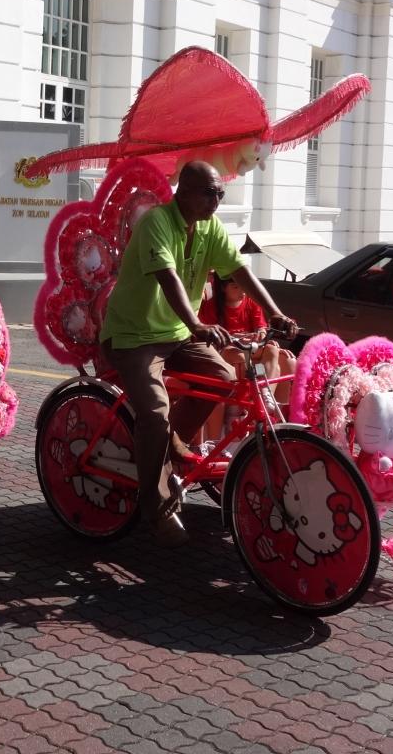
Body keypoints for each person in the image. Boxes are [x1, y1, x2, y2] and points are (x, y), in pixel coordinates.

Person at [100, 160, 298, 546]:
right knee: (154, 412)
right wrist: (196, 323)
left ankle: (172, 443)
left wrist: (275, 312)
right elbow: (168, 277)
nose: (216, 201)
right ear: (184, 191)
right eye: (209, 193)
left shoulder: (210, 228)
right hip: (133, 336)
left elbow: (239, 271)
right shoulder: (156, 222)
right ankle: (156, 505)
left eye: (220, 193)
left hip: (178, 334)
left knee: (223, 379)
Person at [198, 271, 297, 437]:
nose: (242, 291)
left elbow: (261, 328)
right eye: (236, 287)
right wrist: (236, 338)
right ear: (223, 288)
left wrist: (260, 334)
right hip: (227, 350)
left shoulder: (251, 303)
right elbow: (210, 340)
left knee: (274, 350)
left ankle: (265, 395)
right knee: (240, 358)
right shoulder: (210, 307)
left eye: (243, 287)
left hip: (251, 348)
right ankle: (246, 409)